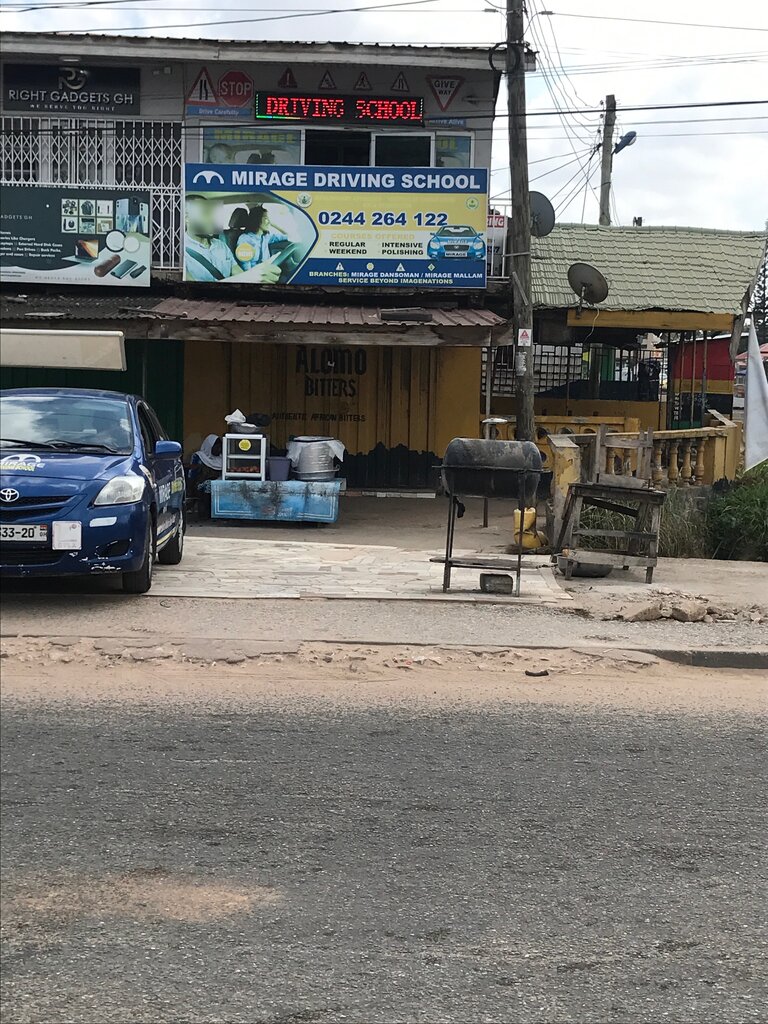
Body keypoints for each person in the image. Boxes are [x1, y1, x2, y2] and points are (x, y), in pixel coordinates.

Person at [184, 196, 280, 283]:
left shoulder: (221, 245)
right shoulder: (180, 253)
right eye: (205, 213)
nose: (212, 219)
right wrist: (250, 276)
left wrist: (256, 275)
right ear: (187, 218)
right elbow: (194, 291)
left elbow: (238, 273)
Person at [234, 205, 289, 272]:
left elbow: (287, 235)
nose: (269, 221)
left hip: (267, 271)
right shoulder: (244, 239)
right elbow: (246, 269)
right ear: (257, 219)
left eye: (269, 218)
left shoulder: (266, 237)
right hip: (255, 276)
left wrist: (272, 223)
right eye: (266, 218)